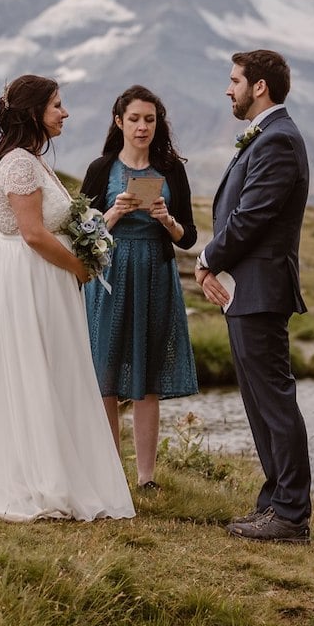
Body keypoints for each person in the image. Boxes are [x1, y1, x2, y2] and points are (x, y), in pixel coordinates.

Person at [0, 75, 135, 522]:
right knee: (35, 367)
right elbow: (34, 233)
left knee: (57, 368)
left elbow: (52, 225)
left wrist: (88, 238)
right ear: (34, 112)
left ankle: (60, 471)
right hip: (32, 279)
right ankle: (40, 481)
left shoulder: (33, 160)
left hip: (45, 279)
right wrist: (80, 266)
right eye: (57, 104)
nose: (65, 112)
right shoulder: (18, 164)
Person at [194, 49, 313, 544]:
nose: (229, 89)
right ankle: (274, 503)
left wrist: (207, 260)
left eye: (235, 80)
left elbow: (252, 217)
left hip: (261, 289)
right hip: (245, 291)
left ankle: (290, 514)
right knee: (258, 400)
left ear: (259, 86)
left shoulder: (279, 141)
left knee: (274, 400)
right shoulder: (266, 136)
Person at [79, 85, 200, 490]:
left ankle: (146, 478)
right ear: (119, 122)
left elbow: (188, 238)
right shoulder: (101, 169)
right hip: (110, 277)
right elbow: (81, 233)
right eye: (134, 119)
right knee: (106, 375)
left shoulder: (172, 170)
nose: (143, 126)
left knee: (147, 376)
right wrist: (113, 212)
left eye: (150, 119)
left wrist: (166, 218)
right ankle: (110, 472)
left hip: (155, 276)